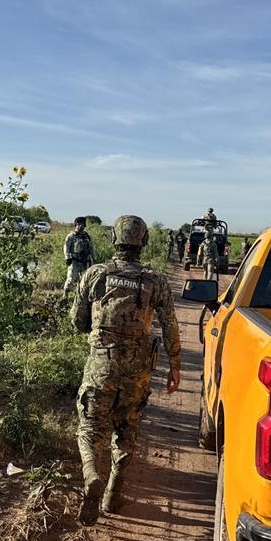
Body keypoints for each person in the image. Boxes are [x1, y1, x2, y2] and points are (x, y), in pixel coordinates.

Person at [72, 215, 181, 524]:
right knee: (127, 429)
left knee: (89, 429)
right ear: (143, 242)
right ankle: (112, 494)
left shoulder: (95, 275)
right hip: (137, 371)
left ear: (113, 240)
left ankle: (91, 474)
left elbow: (78, 322)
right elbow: (170, 325)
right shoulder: (155, 281)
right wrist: (175, 366)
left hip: (100, 367)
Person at [63, 217, 95, 293]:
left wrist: (94, 257)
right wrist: (68, 258)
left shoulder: (87, 236)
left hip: (85, 261)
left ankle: (81, 295)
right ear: (75, 225)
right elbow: (66, 247)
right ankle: (65, 294)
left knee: (85, 279)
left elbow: (91, 247)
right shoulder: (71, 236)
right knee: (71, 278)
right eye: (79, 224)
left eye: (82, 224)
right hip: (74, 261)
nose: (81, 226)